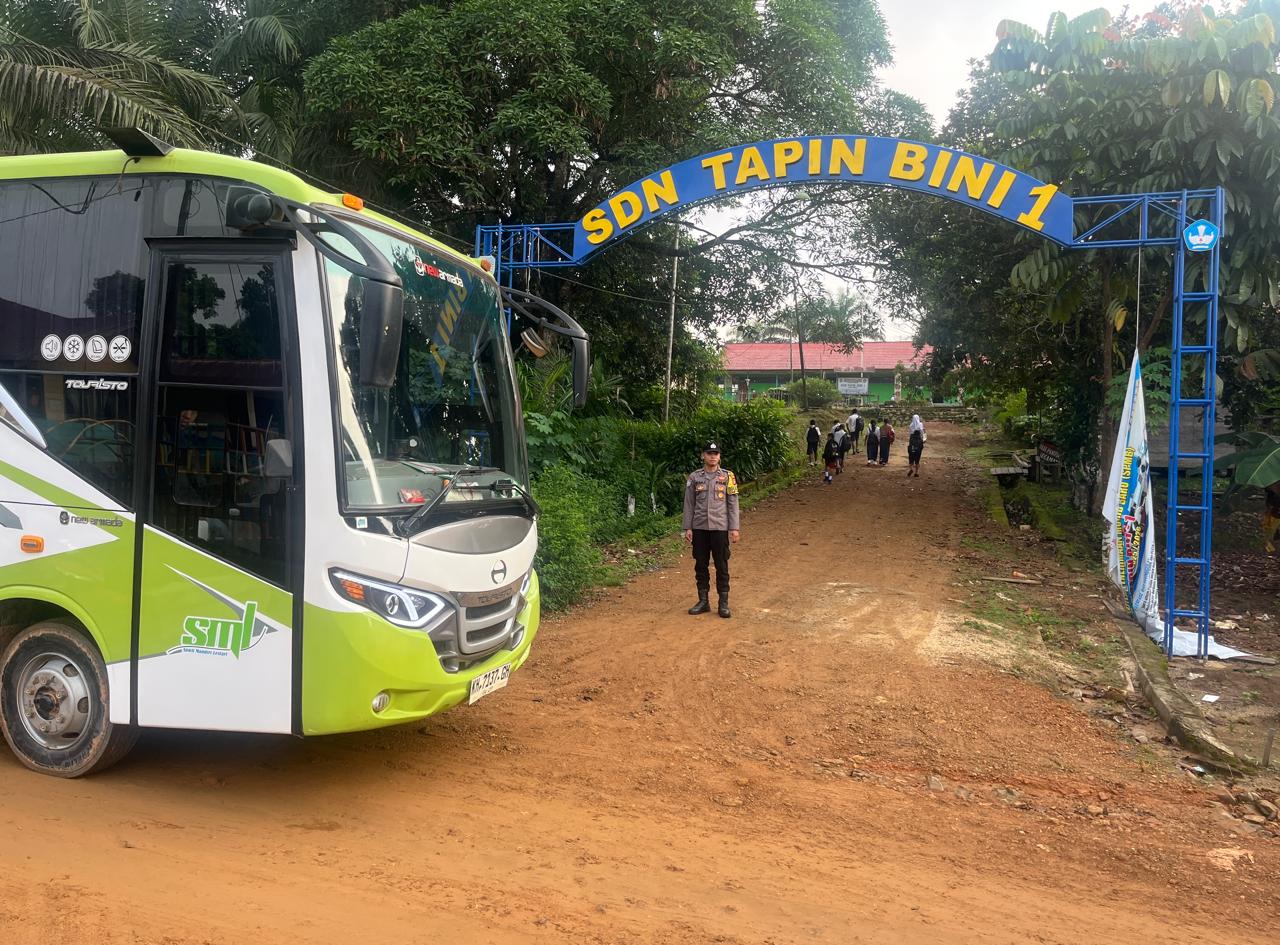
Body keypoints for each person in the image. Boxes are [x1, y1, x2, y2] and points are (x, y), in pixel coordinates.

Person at [682, 442, 740, 618]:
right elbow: (689, 503)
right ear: (703, 456)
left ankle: (723, 603)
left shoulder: (728, 477)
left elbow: (733, 503)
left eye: (716, 453)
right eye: (709, 453)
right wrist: (687, 527)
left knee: (722, 565)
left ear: (720, 456)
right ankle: (703, 601)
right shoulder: (694, 477)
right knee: (701, 565)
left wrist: (734, 528)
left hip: (720, 528)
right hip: (699, 528)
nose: (713, 456)